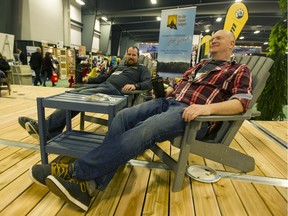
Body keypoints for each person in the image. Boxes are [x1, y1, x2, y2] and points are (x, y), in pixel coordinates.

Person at [26, 30, 252, 211]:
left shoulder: (239, 70)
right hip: (168, 103)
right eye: (212, 38)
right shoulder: (199, 66)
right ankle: (90, 186)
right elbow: (178, 88)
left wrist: (206, 109)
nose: (213, 40)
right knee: (123, 117)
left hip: (193, 115)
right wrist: (165, 90)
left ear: (231, 45)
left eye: (219, 38)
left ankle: (76, 172)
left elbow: (241, 102)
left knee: (145, 129)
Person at [18, 46, 152, 140]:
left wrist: (135, 85)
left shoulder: (141, 69)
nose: (131, 57)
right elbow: (103, 77)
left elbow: (149, 83)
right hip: (104, 86)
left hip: (115, 92)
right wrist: (88, 80)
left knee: (78, 97)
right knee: (74, 94)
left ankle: (45, 126)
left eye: (134, 55)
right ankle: (52, 130)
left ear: (138, 57)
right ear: (126, 54)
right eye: (129, 54)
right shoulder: (119, 66)